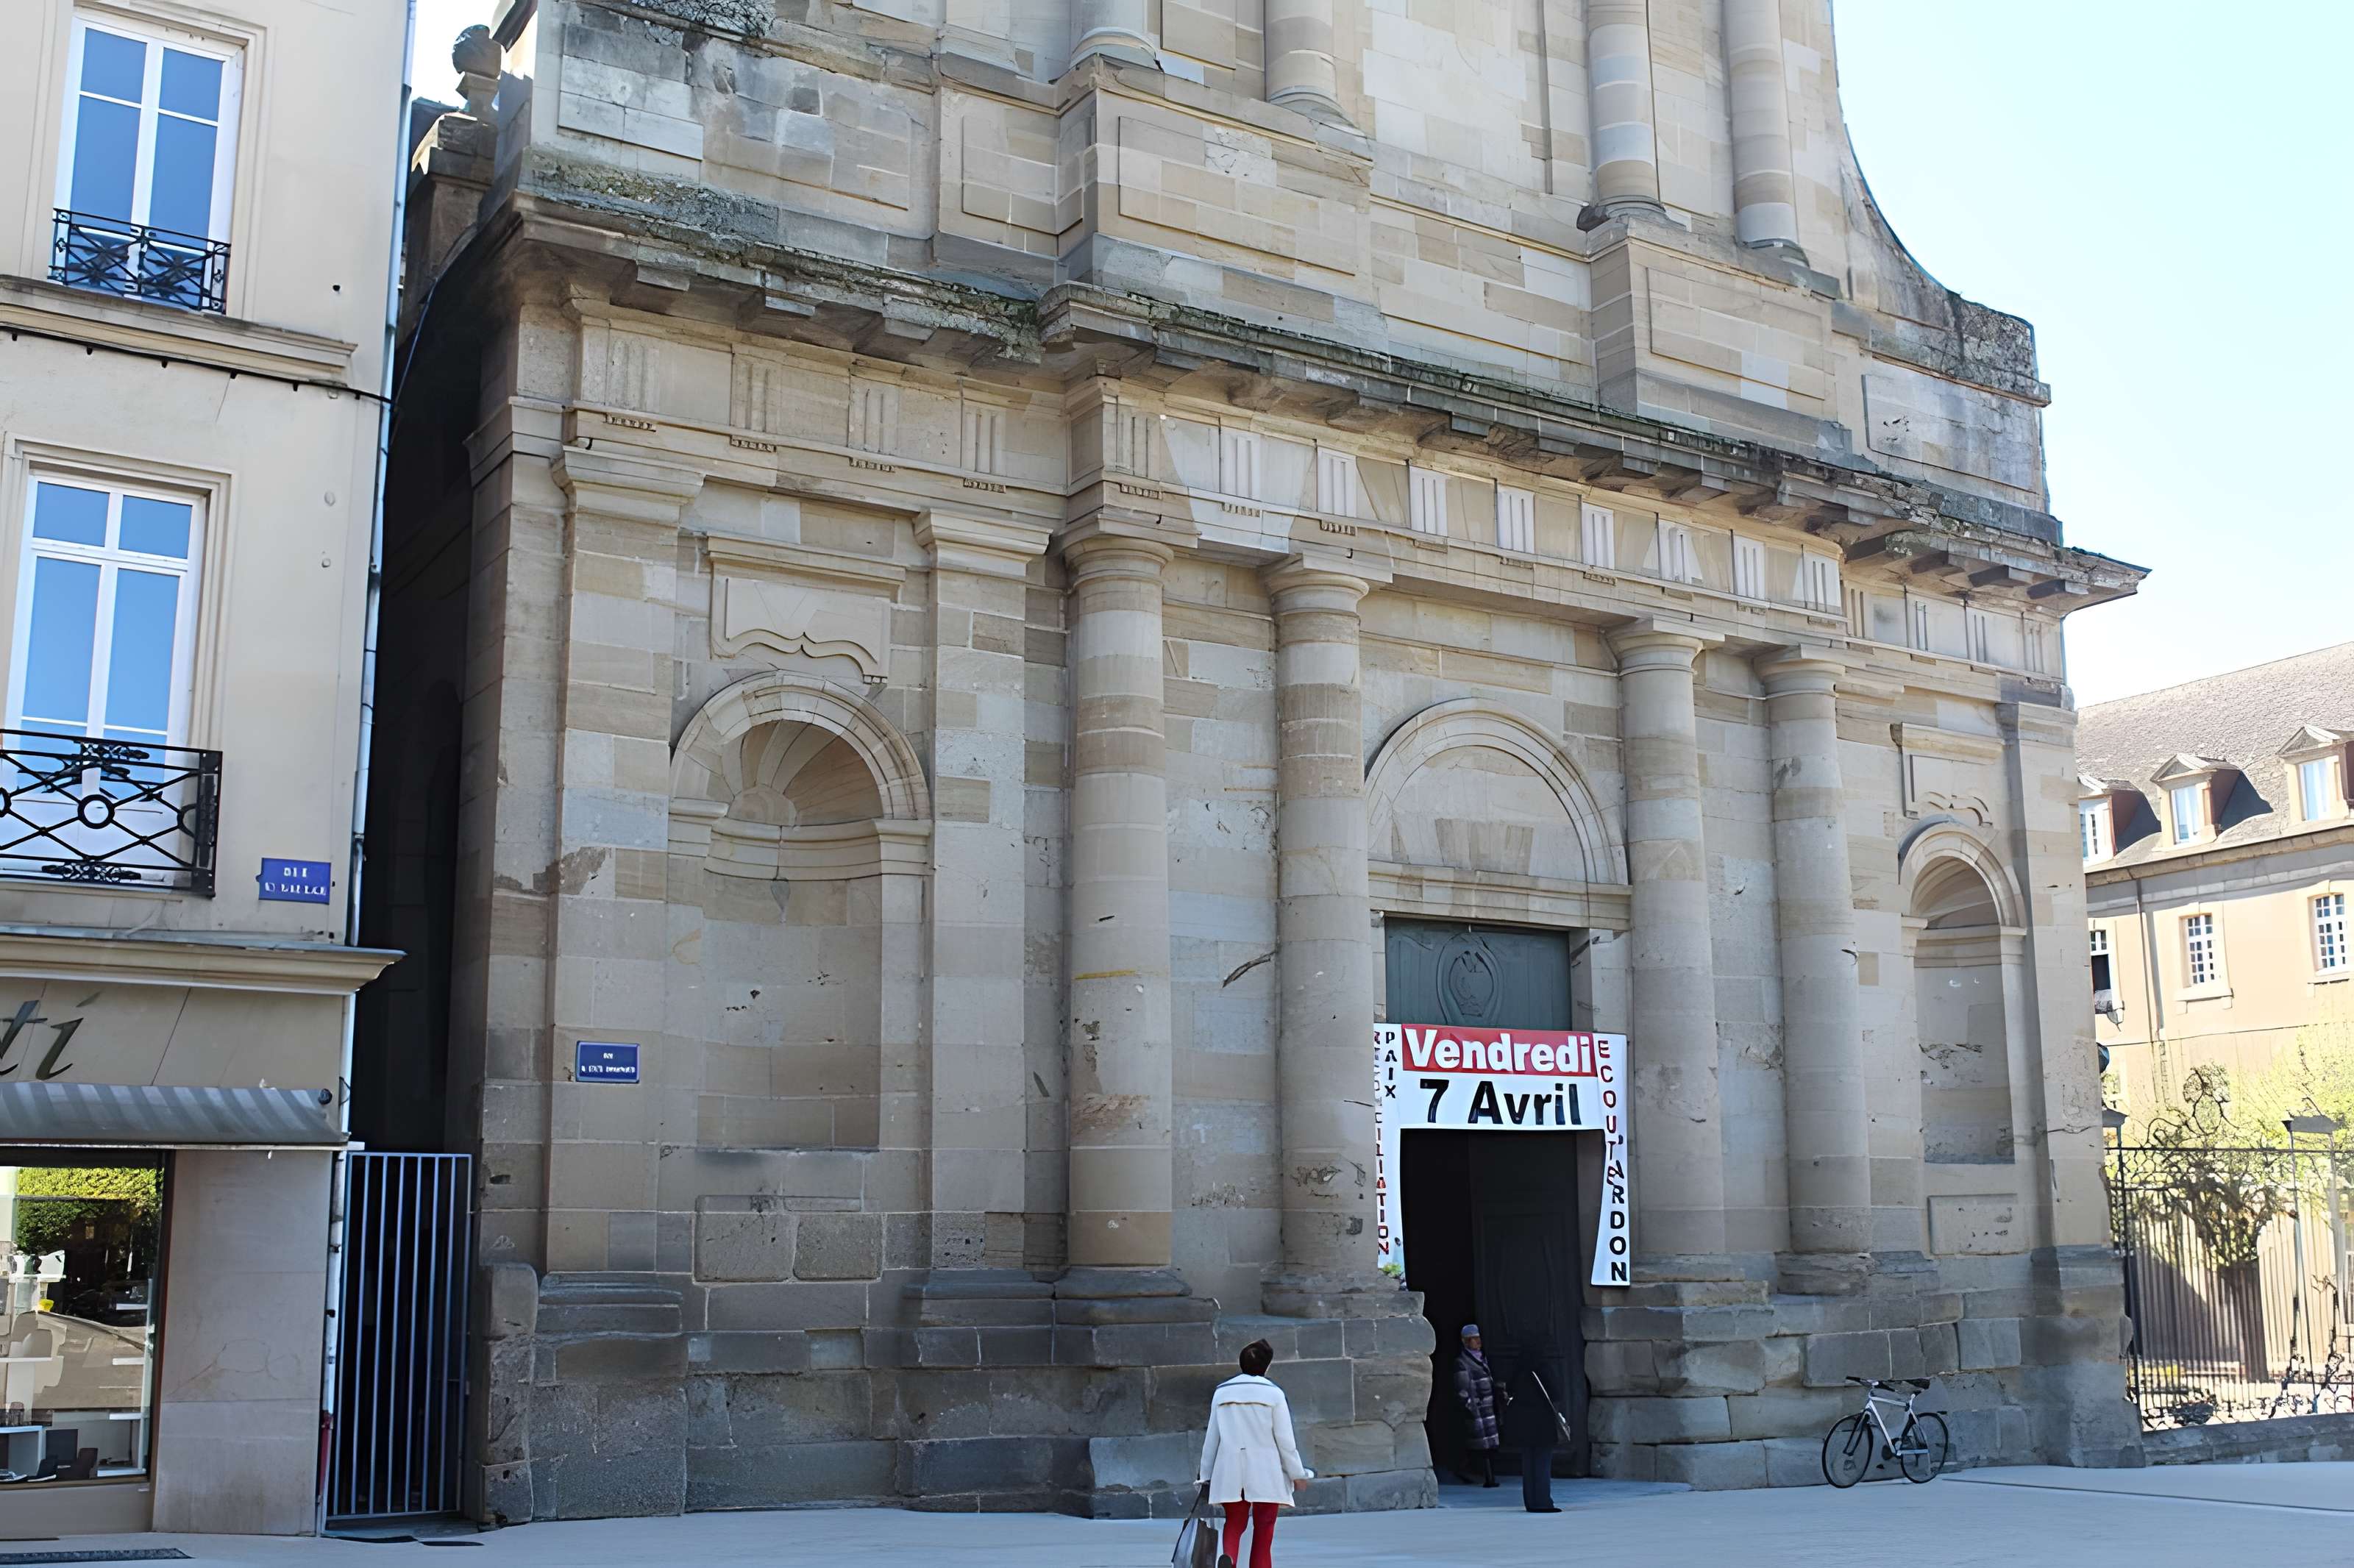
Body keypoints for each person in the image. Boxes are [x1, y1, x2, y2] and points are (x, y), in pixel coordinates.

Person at [1200, 1339, 1313, 1568]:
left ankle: (1229, 1558)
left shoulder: (1221, 1393)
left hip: (1230, 1468)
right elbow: (1286, 1442)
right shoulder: (1274, 1395)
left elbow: (1211, 1439)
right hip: (1266, 1470)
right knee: (1264, 1529)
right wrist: (1297, 1474)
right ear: (1266, 1367)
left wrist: (1205, 1476)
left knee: (1234, 1523)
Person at [1505, 1347, 1567, 1513]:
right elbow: (1555, 1393)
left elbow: (1509, 1390)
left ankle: (1531, 1501)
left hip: (1524, 1425)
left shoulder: (1518, 1371)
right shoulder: (1542, 1368)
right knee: (1542, 1465)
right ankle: (1543, 1502)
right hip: (1542, 1424)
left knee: (1528, 1465)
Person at [1452, 1323, 1501, 1487]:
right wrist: (1469, 1406)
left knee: (1490, 1445)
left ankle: (1490, 1476)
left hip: (1489, 1407)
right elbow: (1462, 1388)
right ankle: (1485, 1477)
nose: (1478, 1341)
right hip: (1477, 1409)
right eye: (1474, 1339)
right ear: (1466, 1342)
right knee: (1481, 1446)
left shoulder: (1483, 1358)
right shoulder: (1463, 1362)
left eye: (1479, 1338)